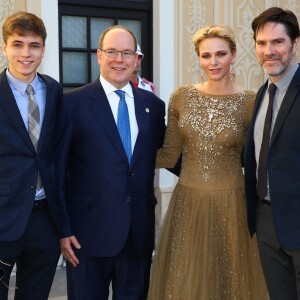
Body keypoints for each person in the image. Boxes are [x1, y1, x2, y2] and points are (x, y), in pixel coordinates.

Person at [147, 24, 268, 299]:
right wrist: (121, 160)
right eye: (206, 55)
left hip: (232, 205)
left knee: (230, 281)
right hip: (187, 204)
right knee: (186, 280)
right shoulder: (181, 96)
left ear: (234, 55)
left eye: (221, 54)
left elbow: (258, 159)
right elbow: (169, 154)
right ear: (198, 58)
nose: (213, 62)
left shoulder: (251, 101)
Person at [56, 25, 166, 299]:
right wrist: (63, 229)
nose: (120, 60)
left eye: (127, 53)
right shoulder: (71, 104)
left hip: (137, 235)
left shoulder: (153, 106)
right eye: (112, 52)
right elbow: (57, 171)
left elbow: (167, 154)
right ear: (99, 56)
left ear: (136, 59)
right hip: (86, 237)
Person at [0, 11, 65, 299]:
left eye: (34, 45)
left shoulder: (54, 90)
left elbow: (57, 152)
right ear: (5, 47)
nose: (26, 53)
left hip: (44, 219)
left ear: (43, 50)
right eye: (17, 44)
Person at [244, 7, 300, 300]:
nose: (269, 51)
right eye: (262, 43)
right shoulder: (262, 94)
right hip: (266, 221)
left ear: (295, 43)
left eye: (278, 42)